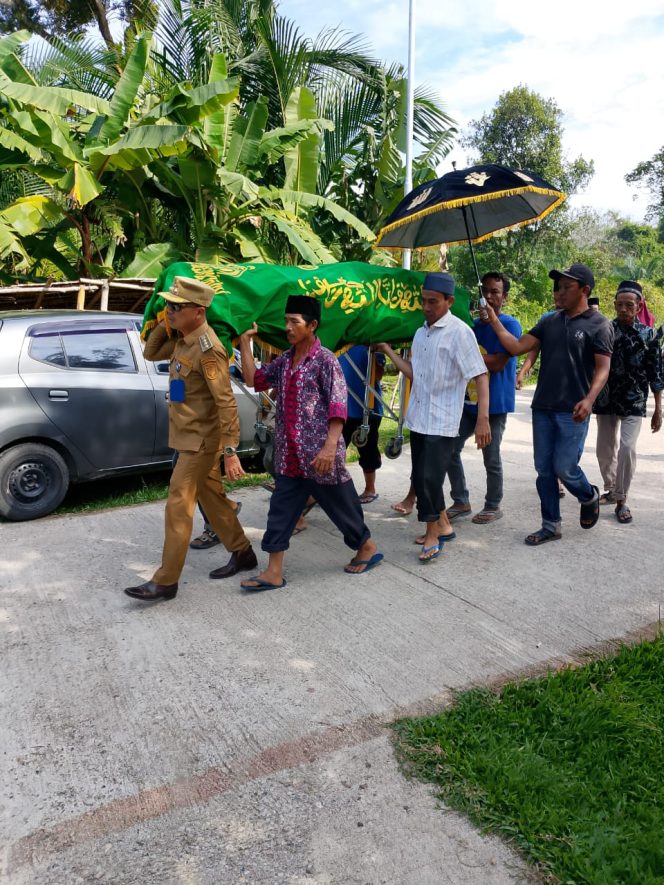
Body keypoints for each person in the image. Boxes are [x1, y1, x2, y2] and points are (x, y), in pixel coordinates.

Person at [124, 277, 257, 601]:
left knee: (178, 503)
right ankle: (242, 553)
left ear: (198, 312)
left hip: (201, 441)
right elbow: (151, 350)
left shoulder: (208, 349)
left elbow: (225, 401)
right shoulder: (184, 339)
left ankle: (166, 581)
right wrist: (165, 321)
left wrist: (230, 449)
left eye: (175, 307)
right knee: (211, 497)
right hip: (187, 437)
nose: (168, 311)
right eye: (167, 305)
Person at [237, 295, 382, 590]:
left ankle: (366, 546)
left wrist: (330, 447)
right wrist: (244, 343)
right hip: (290, 456)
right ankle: (273, 572)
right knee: (280, 509)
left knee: (341, 506)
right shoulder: (285, 360)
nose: (288, 327)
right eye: (286, 320)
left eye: (295, 322)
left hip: (320, 456)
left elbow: (338, 406)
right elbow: (255, 380)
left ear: (312, 325)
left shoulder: (326, 361)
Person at [483, 263, 614, 546]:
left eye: (567, 287)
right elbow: (517, 347)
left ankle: (588, 495)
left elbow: (603, 369)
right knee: (544, 469)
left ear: (585, 290)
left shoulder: (599, 324)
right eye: (559, 287)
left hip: (573, 410)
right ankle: (550, 524)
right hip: (543, 407)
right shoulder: (549, 321)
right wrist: (494, 320)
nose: (560, 292)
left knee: (565, 467)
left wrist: (589, 399)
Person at [378, 272, 491, 562]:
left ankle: (432, 533)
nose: (426, 307)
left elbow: (480, 375)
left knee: (429, 479)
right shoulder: (421, 333)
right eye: (423, 301)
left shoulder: (460, 332)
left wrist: (482, 419)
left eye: (433, 302)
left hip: (443, 421)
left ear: (449, 301)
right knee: (421, 475)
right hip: (418, 418)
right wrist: (390, 352)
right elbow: (415, 373)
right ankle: (443, 526)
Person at [445, 272, 521, 524]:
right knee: (449, 450)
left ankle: (493, 504)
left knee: (491, 455)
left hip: (495, 404)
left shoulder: (510, 325)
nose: (488, 296)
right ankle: (460, 500)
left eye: (495, 292)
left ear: (504, 297)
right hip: (467, 402)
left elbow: (499, 362)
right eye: (485, 291)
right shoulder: (472, 326)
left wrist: (463, 359)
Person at [593, 280, 663, 522]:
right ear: (614, 304)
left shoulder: (649, 335)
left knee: (627, 448)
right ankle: (611, 488)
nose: (623, 309)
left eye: (629, 305)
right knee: (604, 449)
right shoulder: (605, 331)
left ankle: (622, 500)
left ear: (639, 305)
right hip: (606, 399)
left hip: (634, 401)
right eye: (619, 304)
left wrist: (658, 408)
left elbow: (656, 372)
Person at [338, 345, 386, 504]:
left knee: (368, 450)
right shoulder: (336, 345)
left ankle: (370, 488)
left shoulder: (368, 346)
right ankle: (329, 489)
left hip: (368, 408)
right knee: (333, 449)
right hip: (341, 409)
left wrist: (376, 354)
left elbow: (379, 375)